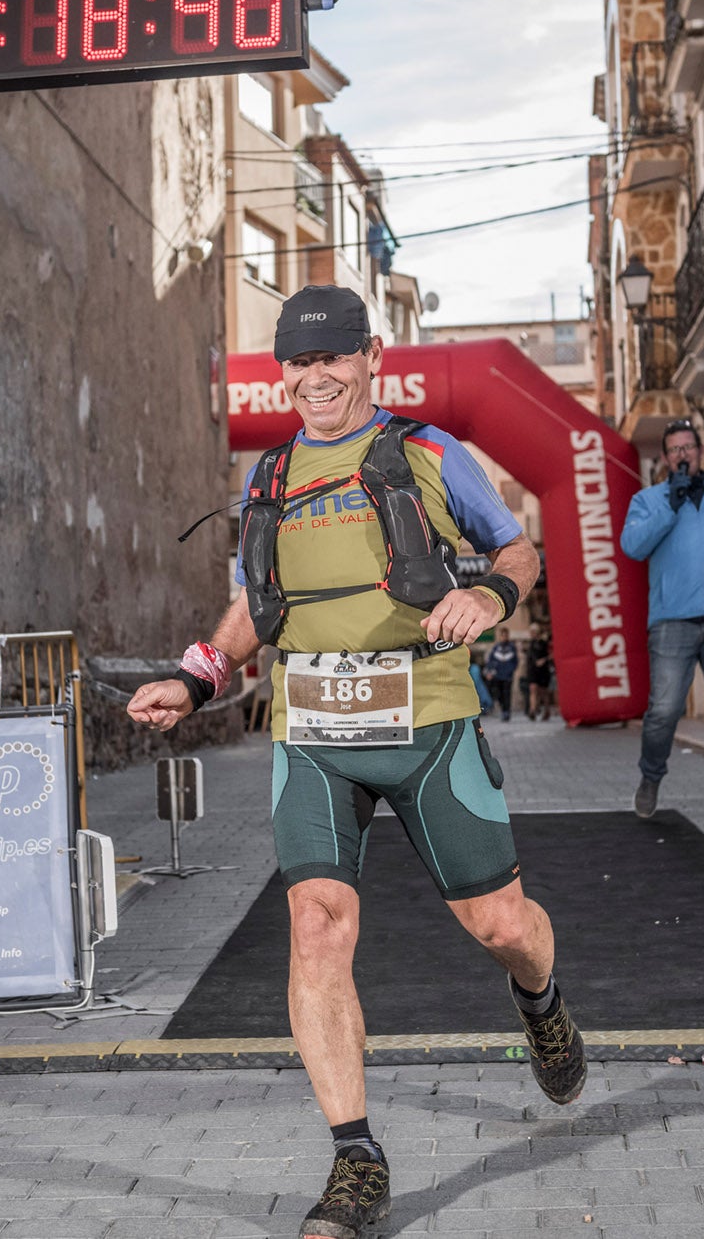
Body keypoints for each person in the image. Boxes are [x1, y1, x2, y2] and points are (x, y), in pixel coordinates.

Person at [128, 285, 585, 1239]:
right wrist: (195, 676)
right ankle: (356, 1159)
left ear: (371, 356)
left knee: (501, 922)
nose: (315, 377)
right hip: (314, 733)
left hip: (426, 723)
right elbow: (260, 608)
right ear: (282, 370)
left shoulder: (427, 452)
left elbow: (518, 549)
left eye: (334, 358)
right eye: (298, 361)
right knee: (316, 928)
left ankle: (540, 1000)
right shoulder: (269, 476)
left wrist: (493, 599)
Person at [619, 420, 704, 831]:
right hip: (672, 622)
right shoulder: (648, 500)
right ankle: (651, 775)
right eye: (674, 449)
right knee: (663, 712)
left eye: (689, 447)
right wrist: (670, 505)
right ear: (665, 459)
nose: (682, 454)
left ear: (700, 452)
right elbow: (633, 546)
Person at [482, 627, 519, 721]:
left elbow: (515, 661)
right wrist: (490, 671)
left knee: (507, 694)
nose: (504, 637)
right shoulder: (496, 648)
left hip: (507, 675)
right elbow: (491, 660)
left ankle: (506, 711)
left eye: (505, 635)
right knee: (499, 694)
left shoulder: (511, 647)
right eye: (502, 635)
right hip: (498, 675)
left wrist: (511, 670)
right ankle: (503, 709)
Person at [522, 631, 554, 721]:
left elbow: (551, 654)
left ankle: (547, 710)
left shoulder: (544, 644)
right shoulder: (530, 644)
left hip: (543, 671)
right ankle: (532, 710)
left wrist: (544, 660)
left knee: (543, 692)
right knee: (533, 689)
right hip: (532, 671)